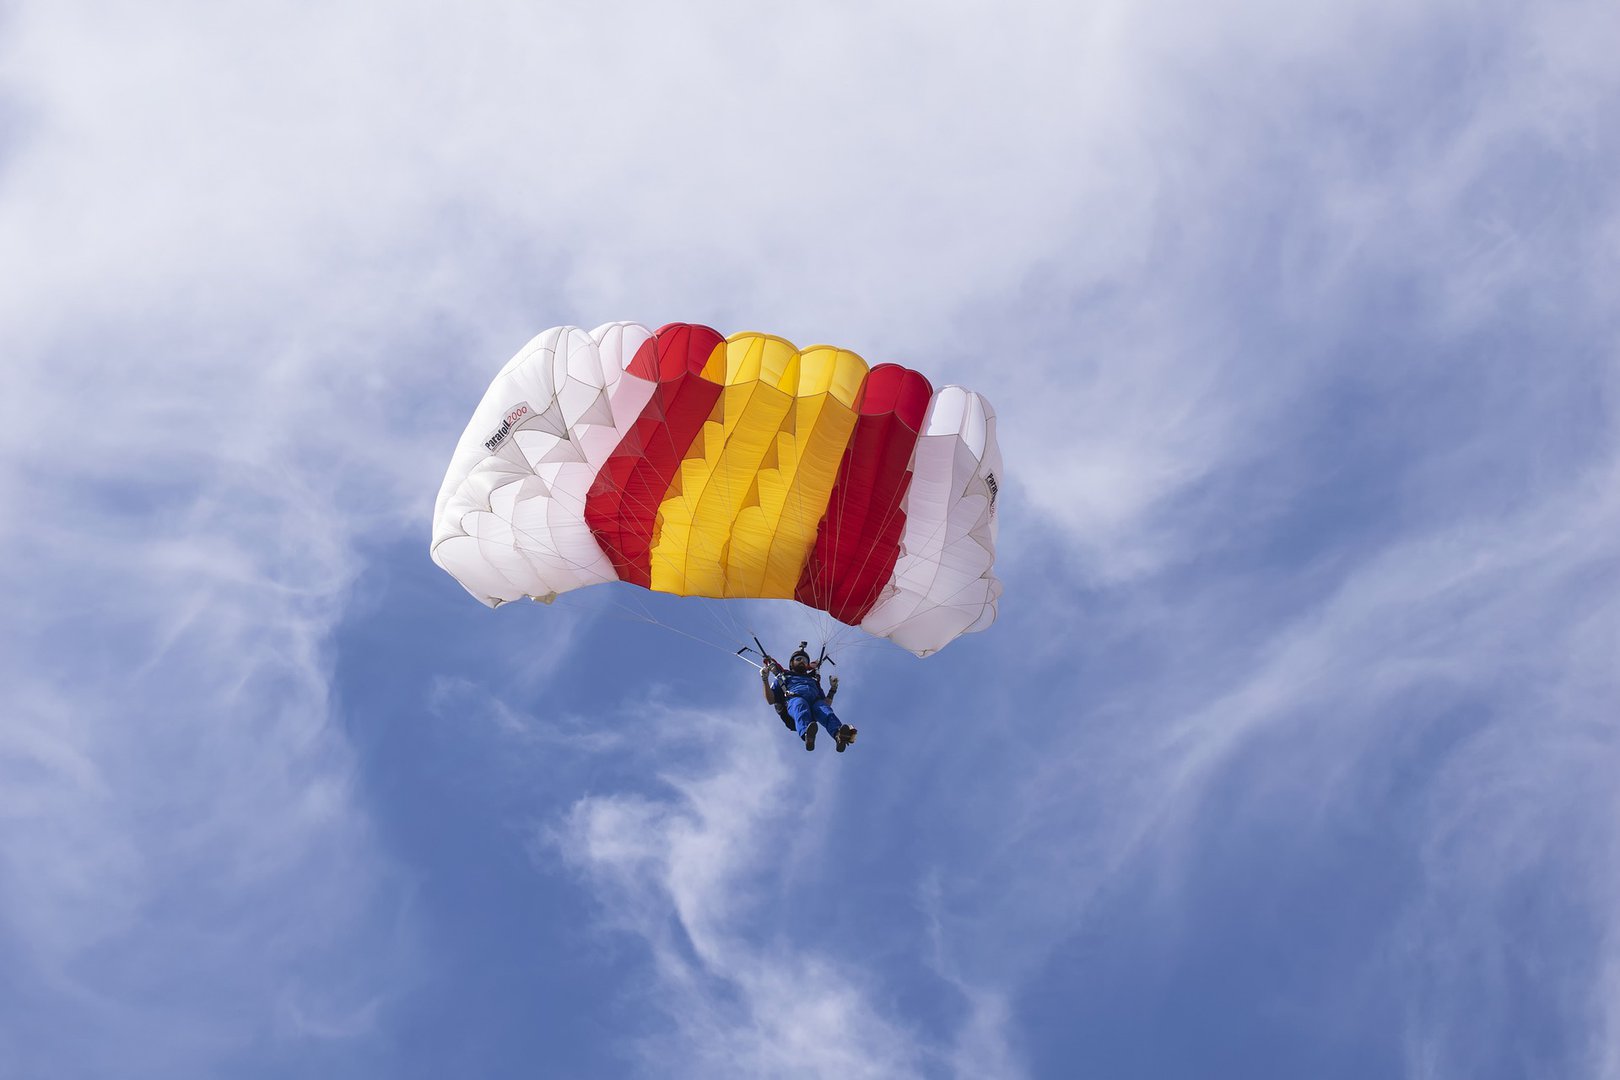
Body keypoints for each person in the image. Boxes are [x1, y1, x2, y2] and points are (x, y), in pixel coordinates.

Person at [761, 647, 856, 752]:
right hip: (794, 699)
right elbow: (770, 700)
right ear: (791, 663)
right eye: (798, 659)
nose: (802, 661)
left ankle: (839, 735)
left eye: (805, 660)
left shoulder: (813, 680)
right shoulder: (783, 677)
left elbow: (826, 703)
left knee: (825, 710)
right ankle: (807, 734)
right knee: (800, 705)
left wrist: (833, 689)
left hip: (815, 703)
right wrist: (765, 679)